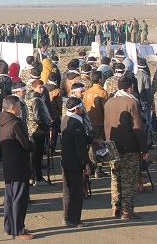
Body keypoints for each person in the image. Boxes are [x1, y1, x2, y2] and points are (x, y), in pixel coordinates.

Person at [104, 76, 148, 220]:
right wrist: (144, 149)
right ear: (131, 88)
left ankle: (114, 208)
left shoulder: (109, 102)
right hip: (129, 147)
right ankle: (127, 211)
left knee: (115, 178)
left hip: (112, 146)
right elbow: (138, 128)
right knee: (128, 180)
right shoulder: (131, 102)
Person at [0, 95, 34, 240]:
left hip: (8, 163)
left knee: (9, 197)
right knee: (19, 198)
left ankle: (10, 226)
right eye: (19, 106)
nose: (20, 109)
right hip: (19, 164)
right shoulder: (15, 123)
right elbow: (26, 144)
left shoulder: (1, 120)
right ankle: (19, 229)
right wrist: (34, 144)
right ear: (13, 108)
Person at [61, 97, 93, 227]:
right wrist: (87, 164)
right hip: (75, 163)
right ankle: (74, 219)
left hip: (66, 161)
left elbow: (80, 139)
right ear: (76, 109)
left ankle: (67, 217)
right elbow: (80, 148)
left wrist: (92, 140)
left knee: (67, 191)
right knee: (76, 193)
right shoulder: (77, 123)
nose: (83, 110)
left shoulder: (65, 120)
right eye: (81, 108)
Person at [25, 80, 51, 185]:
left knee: (33, 156)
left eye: (43, 87)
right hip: (37, 131)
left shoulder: (28, 98)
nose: (42, 89)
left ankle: (33, 177)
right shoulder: (36, 100)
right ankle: (38, 178)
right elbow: (38, 117)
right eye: (40, 87)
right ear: (34, 88)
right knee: (37, 156)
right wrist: (46, 127)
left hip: (31, 130)